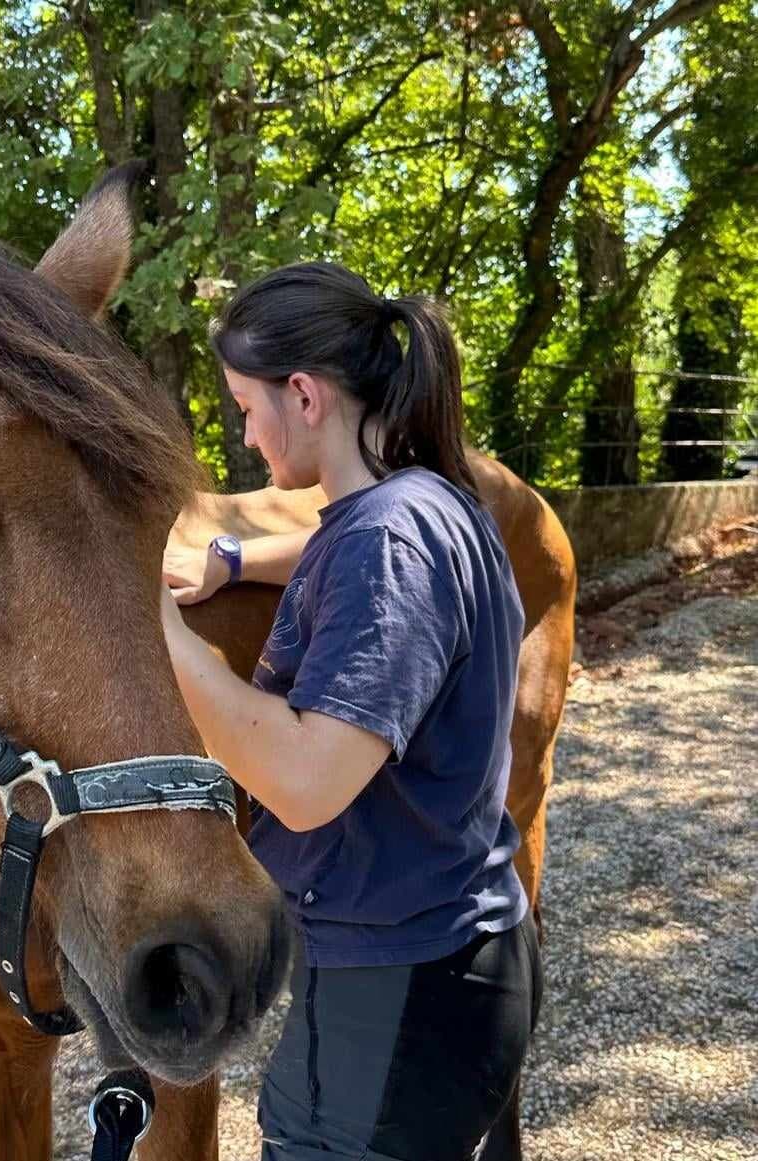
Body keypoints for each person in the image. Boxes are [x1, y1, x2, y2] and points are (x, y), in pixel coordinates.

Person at [159, 262, 542, 1161]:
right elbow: (350, 543)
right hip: (448, 960)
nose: (244, 434)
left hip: (399, 994)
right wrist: (233, 559)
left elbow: (302, 783)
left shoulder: (387, 541)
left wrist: (159, 634)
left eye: (246, 406)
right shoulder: (431, 501)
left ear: (303, 393)